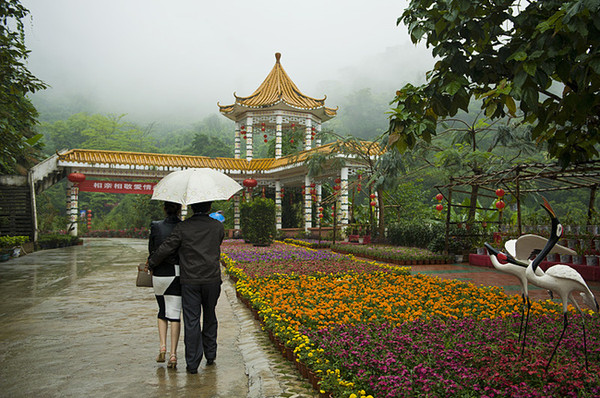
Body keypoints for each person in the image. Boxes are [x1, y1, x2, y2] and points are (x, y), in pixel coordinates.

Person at [147, 201, 225, 374]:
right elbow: (216, 243)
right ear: (210, 208)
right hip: (212, 278)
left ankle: (192, 363)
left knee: (192, 320)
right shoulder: (217, 227)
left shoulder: (183, 227)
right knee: (210, 315)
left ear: (191, 208)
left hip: (190, 280)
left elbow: (167, 247)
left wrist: (151, 262)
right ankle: (210, 354)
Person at [147, 201, 182, 368]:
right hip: (176, 273)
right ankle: (173, 355)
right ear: (180, 209)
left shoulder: (155, 226)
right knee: (174, 314)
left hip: (159, 274)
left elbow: (151, 250)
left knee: (162, 311)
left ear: (164, 209)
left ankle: (162, 346)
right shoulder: (183, 227)